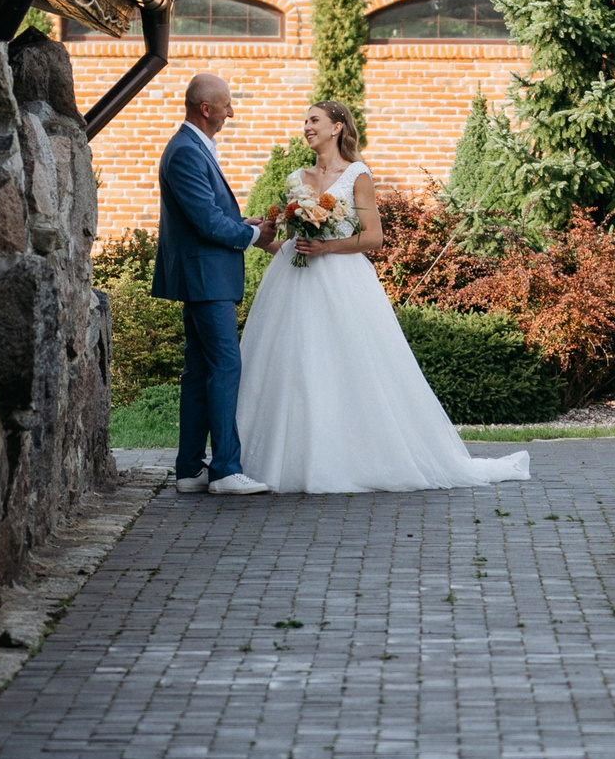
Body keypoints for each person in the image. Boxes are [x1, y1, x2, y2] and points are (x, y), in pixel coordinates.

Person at [236, 100, 530, 492]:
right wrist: (265, 242)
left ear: (337, 127)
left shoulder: (357, 173)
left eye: (314, 120)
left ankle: (352, 458)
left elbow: (373, 237)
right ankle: (289, 460)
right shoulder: (296, 177)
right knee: (295, 365)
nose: (307, 127)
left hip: (342, 283)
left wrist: (327, 247)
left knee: (349, 364)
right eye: (306, 121)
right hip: (294, 286)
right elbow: (294, 243)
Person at [151, 72, 277, 496]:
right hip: (206, 279)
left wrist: (242, 223)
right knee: (225, 366)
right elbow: (205, 222)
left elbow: (203, 214)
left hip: (203, 276)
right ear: (206, 109)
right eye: (226, 105)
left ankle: (189, 469)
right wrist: (254, 237)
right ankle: (224, 469)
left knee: (200, 369)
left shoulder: (191, 147)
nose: (231, 112)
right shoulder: (186, 151)